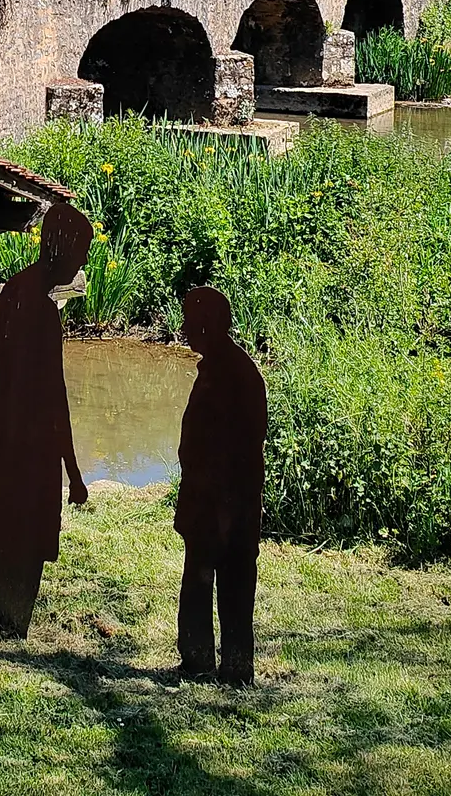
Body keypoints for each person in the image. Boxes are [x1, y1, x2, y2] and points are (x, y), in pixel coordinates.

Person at [0, 202, 90, 636]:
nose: (82, 263)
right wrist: (73, 471)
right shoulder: (39, 310)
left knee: (6, 527)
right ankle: (11, 622)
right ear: (60, 249)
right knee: (23, 533)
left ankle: (2, 617)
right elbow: (52, 396)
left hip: (6, 441)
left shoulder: (16, 290)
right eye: (80, 253)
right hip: (26, 446)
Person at [174, 284, 268, 684]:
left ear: (210, 325)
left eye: (191, 321)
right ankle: (229, 665)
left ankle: (211, 663)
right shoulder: (230, 368)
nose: (184, 328)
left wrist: (212, 500)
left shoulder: (232, 373)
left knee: (209, 581)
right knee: (230, 583)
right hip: (225, 499)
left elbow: (236, 445)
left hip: (222, 500)